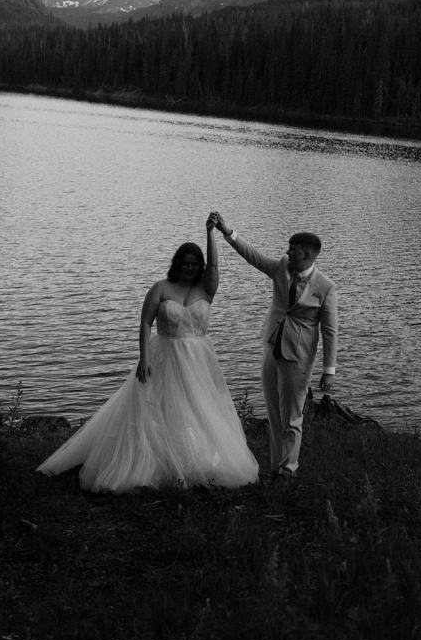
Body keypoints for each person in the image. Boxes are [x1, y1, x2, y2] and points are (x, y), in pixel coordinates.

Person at [36, 220, 259, 492]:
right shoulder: (161, 288)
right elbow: (145, 323)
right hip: (165, 355)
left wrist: (210, 233)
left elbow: (214, 266)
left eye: (194, 263)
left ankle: (198, 460)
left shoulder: (206, 289)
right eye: (185, 263)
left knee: (201, 408)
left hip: (199, 359)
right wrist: (144, 358)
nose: (190, 267)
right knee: (163, 408)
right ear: (177, 264)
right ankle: (161, 461)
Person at [208, 211, 338, 480]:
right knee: (273, 413)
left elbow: (330, 331)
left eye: (294, 252)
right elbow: (253, 256)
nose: (288, 255)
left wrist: (329, 370)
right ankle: (276, 466)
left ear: (309, 256)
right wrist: (227, 231)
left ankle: (288, 471)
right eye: (288, 250)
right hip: (272, 348)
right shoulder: (280, 267)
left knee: (292, 417)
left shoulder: (326, 287)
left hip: (298, 358)